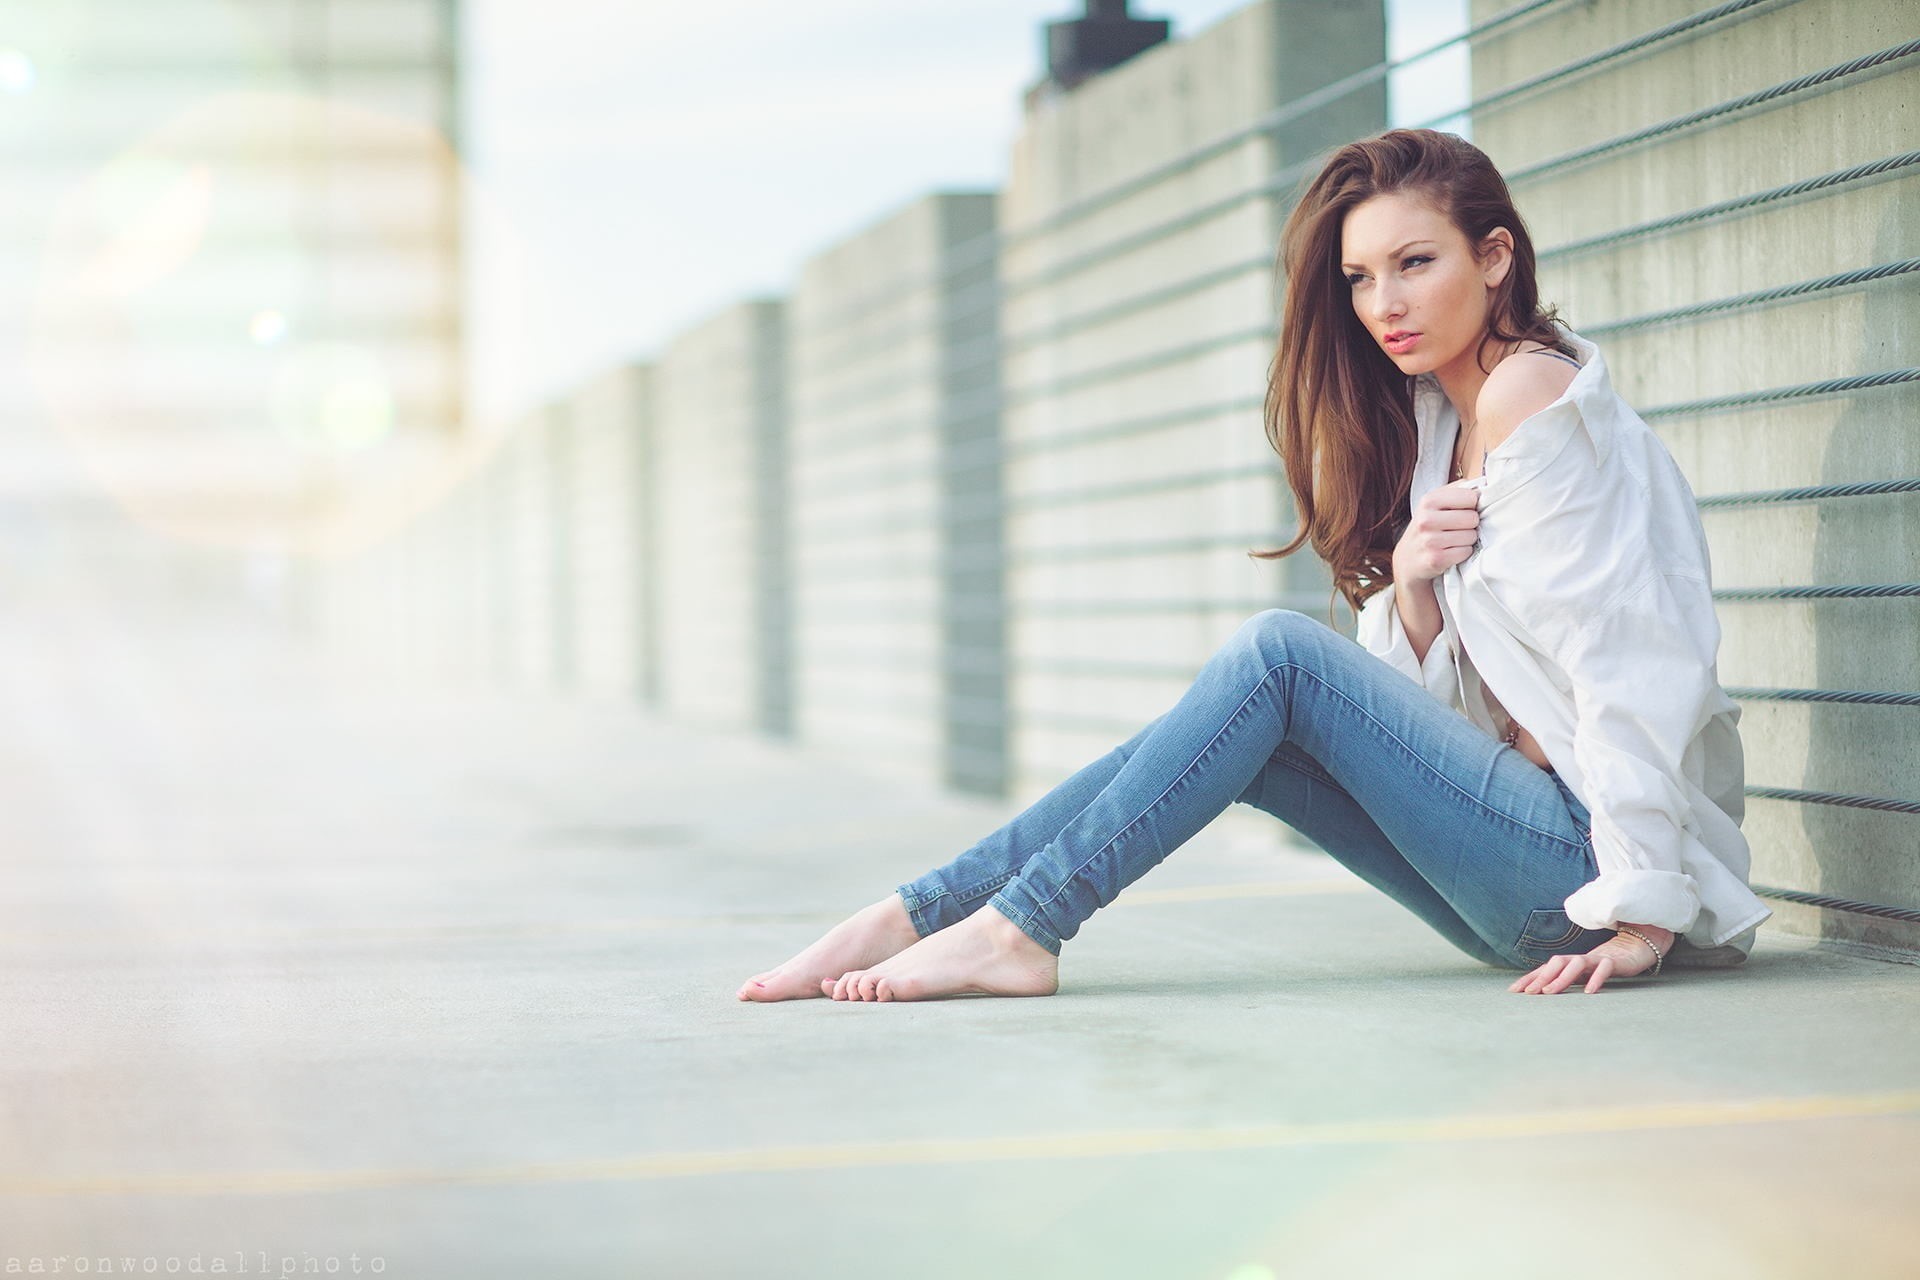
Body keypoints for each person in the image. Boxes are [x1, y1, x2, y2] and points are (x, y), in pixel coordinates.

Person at [737, 127, 1771, 1004]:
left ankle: (1017, 927)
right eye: (1361, 278)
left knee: (1279, 654)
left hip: (1583, 875)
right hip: (1528, 872)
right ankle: (927, 911)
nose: (1383, 305)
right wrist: (1412, 587)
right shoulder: (1437, 422)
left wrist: (1639, 907)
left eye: (1417, 263)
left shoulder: (1532, 400)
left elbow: (1631, 656)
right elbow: (1438, 728)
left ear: (1495, 257)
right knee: (1260, 734)